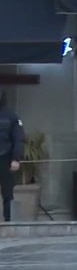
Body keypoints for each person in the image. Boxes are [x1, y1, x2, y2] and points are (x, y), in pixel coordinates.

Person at [0, 93, 23, 222]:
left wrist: (16, 158)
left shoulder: (11, 115)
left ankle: (8, 220)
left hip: (6, 158)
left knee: (7, 193)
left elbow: (18, 138)